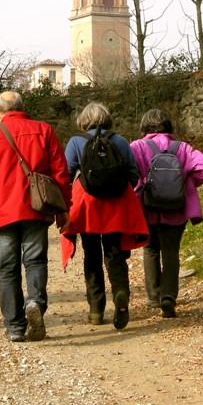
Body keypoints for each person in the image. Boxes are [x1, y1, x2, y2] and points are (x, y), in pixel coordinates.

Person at [0, 90, 71, 342]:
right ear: (23, 107)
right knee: (35, 261)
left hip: (1, 212)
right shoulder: (44, 131)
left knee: (8, 268)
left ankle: (14, 326)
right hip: (37, 208)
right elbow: (60, 172)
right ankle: (34, 302)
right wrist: (64, 208)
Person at [61, 102, 148, 330]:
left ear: (84, 120)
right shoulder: (119, 141)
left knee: (91, 256)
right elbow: (133, 173)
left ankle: (96, 310)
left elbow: (66, 174)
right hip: (117, 205)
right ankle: (120, 295)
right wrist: (117, 190)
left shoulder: (76, 142)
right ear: (107, 118)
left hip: (87, 205)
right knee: (115, 254)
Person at [130, 108, 203, 318]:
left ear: (144, 126)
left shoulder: (137, 146)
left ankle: (153, 296)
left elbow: (127, 171)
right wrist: (187, 183)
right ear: (169, 126)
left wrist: (139, 184)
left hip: (147, 208)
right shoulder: (182, 148)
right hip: (176, 208)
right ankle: (168, 296)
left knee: (150, 250)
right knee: (171, 252)